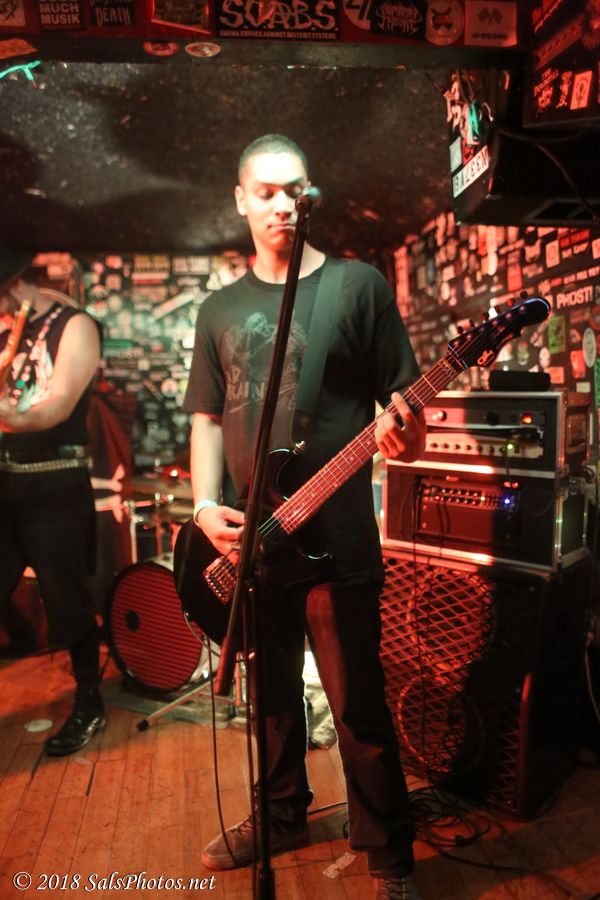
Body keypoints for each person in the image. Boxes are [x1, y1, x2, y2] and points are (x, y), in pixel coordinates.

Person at [182, 135, 426, 900]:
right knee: (273, 700)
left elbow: (405, 406)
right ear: (240, 200)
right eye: (265, 192)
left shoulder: (358, 287)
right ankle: (281, 815)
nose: (282, 204)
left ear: (310, 193)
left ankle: (389, 855)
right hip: (254, 545)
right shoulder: (218, 309)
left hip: (338, 540)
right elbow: (206, 419)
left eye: (294, 190)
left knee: (356, 703)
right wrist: (203, 508)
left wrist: (403, 434)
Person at [0, 262, 105, 757]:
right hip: (4, 481)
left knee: (67, 601)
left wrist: (10, 417)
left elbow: (59, 403)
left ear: (16, 285)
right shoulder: (6, 329)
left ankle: (89, 700)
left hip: (54, 482)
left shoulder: (75, 325)